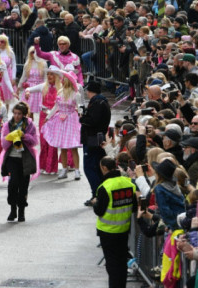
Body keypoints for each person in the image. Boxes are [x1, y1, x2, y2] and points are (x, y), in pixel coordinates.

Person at [93, 156, 137, 288]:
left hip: (107, 232)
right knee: (121, 263)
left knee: (112, 266)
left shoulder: (104, 187)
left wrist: (95, 203)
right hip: (124, 230)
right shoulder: (128, 183)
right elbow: (134, 206)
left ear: (104, 168)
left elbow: (100, 211)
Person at [0, 102, 38, 222]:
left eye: (19, 114)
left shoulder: (30, 125)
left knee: (23, 186)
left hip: (25, 158)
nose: (16, 116)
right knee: (13, 184)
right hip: (12, 158)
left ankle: (21, 211)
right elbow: (4, 144)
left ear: (24, 115)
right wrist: (10, 137)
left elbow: (35, 141)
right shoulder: (8, 125)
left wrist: (24, 136)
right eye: (15, 113)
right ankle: (12, 209)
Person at [41, 70, 82, 180]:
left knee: (73, 147)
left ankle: (77, 170)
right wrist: (48, 117)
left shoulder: (75, 94)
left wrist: (82, 116)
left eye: (64, 79)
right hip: (61, 120)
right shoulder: (60, 93)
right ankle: (64, 169)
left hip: (71, 120)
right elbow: (56, 107)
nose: (62, 80)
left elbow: (80, 106)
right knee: (62, 147)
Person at [80, 81, 111, 206]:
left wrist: (82, 118)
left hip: (92, 139)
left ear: (89, 91)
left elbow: (93, 121)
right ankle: (99, 194)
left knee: (90, 168)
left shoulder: (97, 103)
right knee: (98, 167)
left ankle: (97, 194)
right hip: (97, 138)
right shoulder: (102, 101)